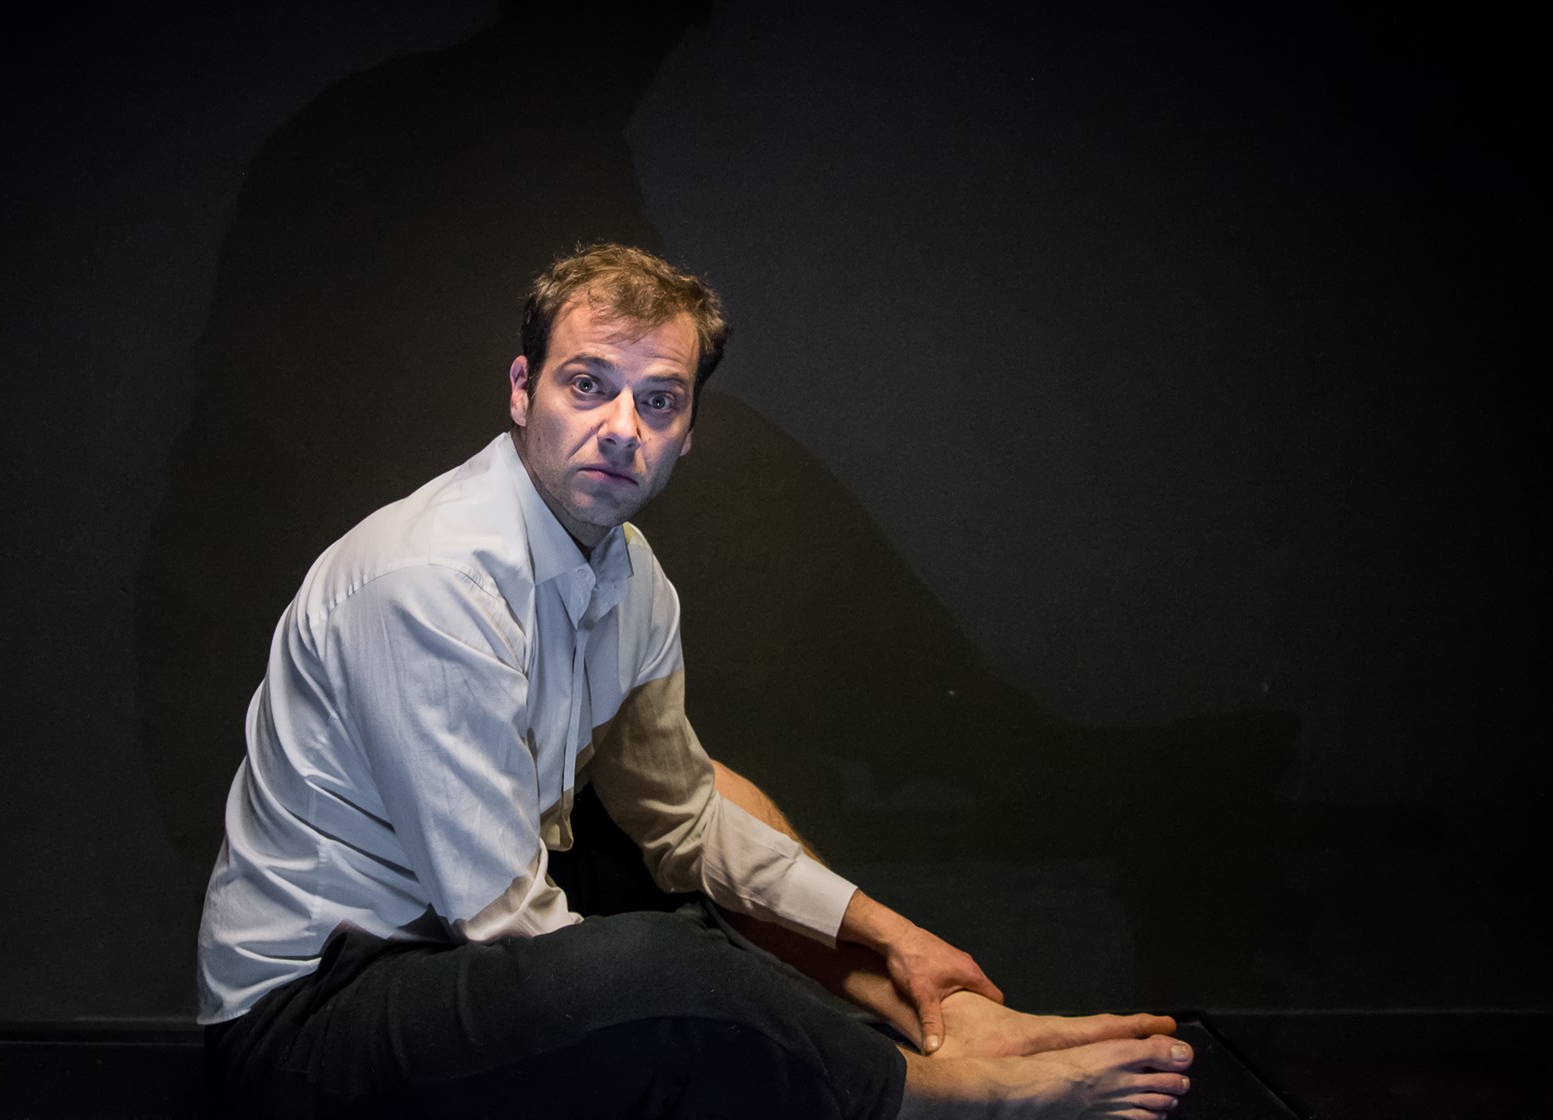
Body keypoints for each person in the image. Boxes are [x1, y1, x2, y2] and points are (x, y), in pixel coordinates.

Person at [197, 245, 1195, 1118]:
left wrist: (891, 934)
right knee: (654, 967)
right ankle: (933, 1092)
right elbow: (507, 927)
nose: (620, 426)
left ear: (686, 431)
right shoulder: (431, 579)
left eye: (658, 400)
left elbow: (685, 817)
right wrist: (686, 994)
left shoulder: (632, 576)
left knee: (710, 823)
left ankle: (940, 1015)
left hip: (451, 967)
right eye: (587, 384)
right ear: (522, 390)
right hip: (310, 1022)